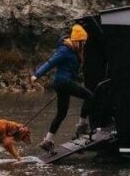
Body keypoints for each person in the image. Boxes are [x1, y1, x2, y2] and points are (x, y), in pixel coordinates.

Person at [31, 24, 94, 152]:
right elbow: (51, 62)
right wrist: (36, 75)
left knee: (61, 114)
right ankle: (81, 125)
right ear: (77, 40)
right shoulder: (65, 50)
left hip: (63, 83)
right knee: (90, 96)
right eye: (82, 42)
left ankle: (48, 141)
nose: (84, 45)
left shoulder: (74, 51)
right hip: (63, 83)